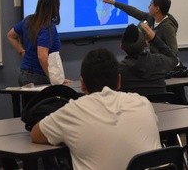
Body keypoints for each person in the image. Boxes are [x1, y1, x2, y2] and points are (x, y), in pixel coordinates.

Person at [30, 48, 162, 170]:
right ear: (119, 81)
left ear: (82, 84)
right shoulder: (142, 102)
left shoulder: (74, 111)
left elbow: (36, 134)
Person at [7, 0, 71, 86]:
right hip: (39, 77)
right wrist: (54, 78)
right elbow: (42, 56)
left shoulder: (29, 20)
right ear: (55, 8)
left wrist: (22, 51)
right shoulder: (47, 27)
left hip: (24, 74)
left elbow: (11, 36)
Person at [103, 0, 179, 54]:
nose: (148, 7)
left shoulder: (168, 27)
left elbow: (173, 52)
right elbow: (134, 11)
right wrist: (114, 3)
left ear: (157, 9)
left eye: (150, 5)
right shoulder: (150, 18)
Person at [119, 22, 179, 95]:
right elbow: (174, 59)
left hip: (132, 106)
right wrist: (154, 38)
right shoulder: (159, 61)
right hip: (160, 106)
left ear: (121, 47)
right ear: (146, 44)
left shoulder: (118, 69)